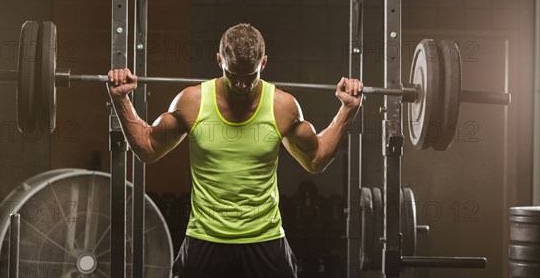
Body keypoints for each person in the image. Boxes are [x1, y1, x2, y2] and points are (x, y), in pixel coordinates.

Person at [107, 23, 363, 278]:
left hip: (264, 237)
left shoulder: (281, 107)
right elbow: (148, 149)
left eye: (250, 76)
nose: (241, 85)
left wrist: (348, 108)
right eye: (233, 75)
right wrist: (121, 100)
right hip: (205, 237)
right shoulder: (192, 103)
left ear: (263, 63)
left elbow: (316, 160)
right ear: (219, 60)